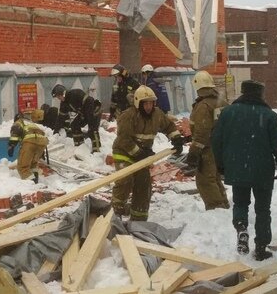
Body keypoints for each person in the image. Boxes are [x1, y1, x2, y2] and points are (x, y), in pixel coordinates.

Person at [212, 80, 277, 261]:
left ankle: (241, 228)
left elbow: (216, 141)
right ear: (260, 94)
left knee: (240, 203)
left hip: (237, 168)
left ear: (243, 92)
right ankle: (261, 248)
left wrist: (221, 164)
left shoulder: (228, 113)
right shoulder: (269, 116)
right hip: (263, 171)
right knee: (263, 209)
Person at [111, 85, 184, 220]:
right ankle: (116, 210)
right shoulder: (128, 116)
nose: (149, 107)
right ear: (138, 103)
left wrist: (176, 138)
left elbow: (169, 126)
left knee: (143, 183)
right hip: (124, 153)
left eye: (151, 103)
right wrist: (140, 153)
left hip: (143, 156)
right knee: (125, 180)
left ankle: (139, 216)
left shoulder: (157, 115)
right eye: (146, 104)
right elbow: (124, 140)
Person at [185, 71, 229, 210]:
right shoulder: (221, 102)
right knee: (214, 177)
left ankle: (216, 208)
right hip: (220, 146)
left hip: (207, 148)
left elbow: (202, 132)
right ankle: (223, 204)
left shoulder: (203, 106)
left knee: (205, 180)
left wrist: (194, 152)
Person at [51, 84, 102, 153]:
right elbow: (60, 118)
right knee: (74, 124)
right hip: (84, 113)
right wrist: (56, 131)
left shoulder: (75, 94)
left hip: (93, 111)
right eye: (57, 97)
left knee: (92, 130)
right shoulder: (64, 104)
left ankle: (97, 150)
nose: (59, 98)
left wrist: (90, 122)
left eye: (59, 96)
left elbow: (90, 102)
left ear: (63, 93)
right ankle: (79, 146)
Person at [8, 113, 49, 183]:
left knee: (22, 167)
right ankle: (36, 181)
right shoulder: (31, 124)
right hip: (42, 142)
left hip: (30, 142)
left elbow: (15, 132)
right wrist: (42, 151)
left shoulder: (18, 122)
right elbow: (40, 135)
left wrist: (11, 145)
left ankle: (31, 184)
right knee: (33, 164)